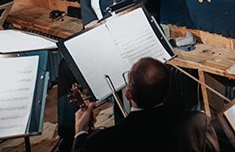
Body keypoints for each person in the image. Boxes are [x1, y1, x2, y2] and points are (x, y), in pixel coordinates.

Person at [56, 0, 159, 150]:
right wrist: (90, 25)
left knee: (121, 77)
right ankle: (69, 136)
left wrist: (102, 29)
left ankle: (122, 138)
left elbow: (134, 4)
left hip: (124, 35)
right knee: (66, 65)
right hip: (96, 29)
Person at [72, 57, 219, 152]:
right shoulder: (197, 123)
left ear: (128, 94)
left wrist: (80, 133)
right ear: (167, 90)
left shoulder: (102, 141)